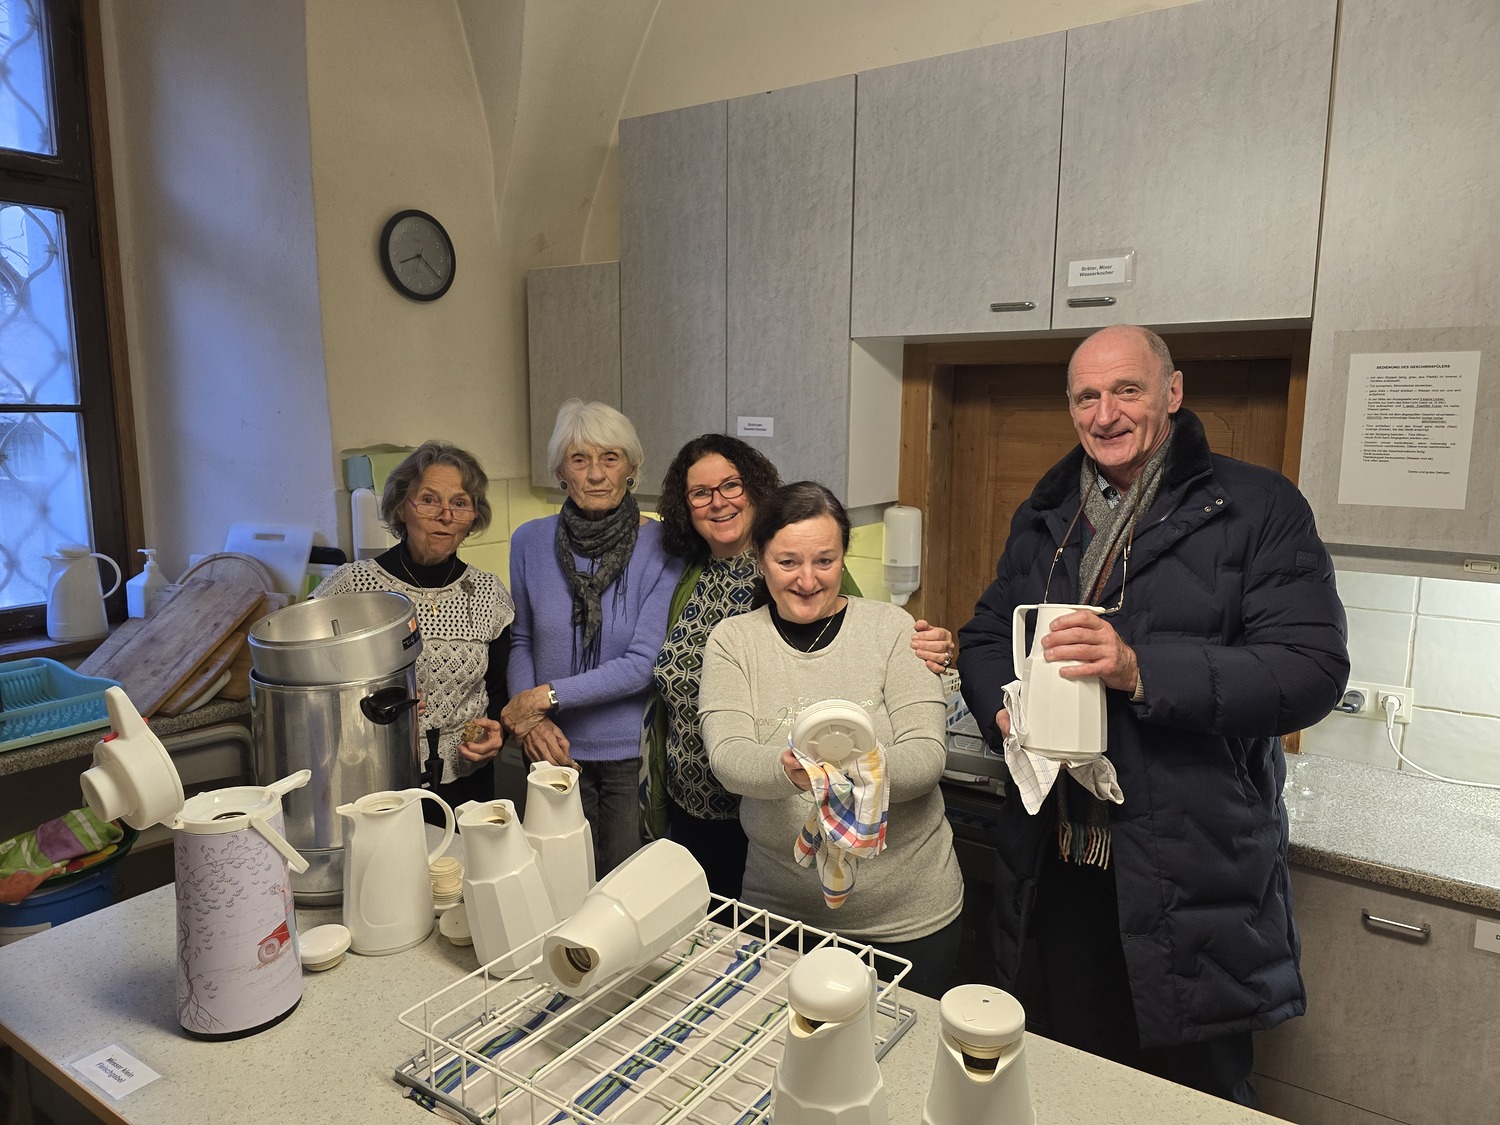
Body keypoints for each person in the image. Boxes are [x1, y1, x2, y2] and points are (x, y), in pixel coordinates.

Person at [955, 325, 1349, 1105]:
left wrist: (1139, 669)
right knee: (1068, 1089)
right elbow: (986, 634)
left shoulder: (1256, 507)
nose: (1105, 413)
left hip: (1191, 873)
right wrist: (1006, 707)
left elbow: (1311, 671)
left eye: (1126, 390)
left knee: (1188, 1101)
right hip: (1059, 865)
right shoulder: (1047, 512)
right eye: (1086, 396)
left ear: (1172, 392)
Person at [648, 434, 956, 900]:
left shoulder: (878, 618)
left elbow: (862, 645)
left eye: (730, 485)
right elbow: (724, 749)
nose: (807, 578)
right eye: (701, 492)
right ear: (762, 561)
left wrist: (932, 648)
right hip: (713, 814)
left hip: (874, 876)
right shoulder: (689, 580)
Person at [699, 481, 964, 997]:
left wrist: (839, 767)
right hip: (781, 919)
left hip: (909, 920)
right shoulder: (734, 642)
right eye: (787, 562)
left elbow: (927, 757)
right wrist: (792, 769)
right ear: (759, 559)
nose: (807, 579)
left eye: (824, 561)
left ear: (843, 556)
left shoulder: (892, 629)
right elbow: (729, 758)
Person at [498, 399, 682, 875]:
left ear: (632, 469)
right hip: (549, 750)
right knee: (556, 885)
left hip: (628, 758)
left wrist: (542, 698)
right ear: (561, 472)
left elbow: (644, 663)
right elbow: (522, 640)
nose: (596, 474)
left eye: (610, 458)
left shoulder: (665, 546)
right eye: (579, 459)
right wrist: (532, 724)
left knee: (624, 891)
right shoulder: (529, 541)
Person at [313, 441, 511, 815]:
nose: (445, 516)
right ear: (402, 507)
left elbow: (499, 689)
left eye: (460, 503)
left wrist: (496, 731)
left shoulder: (488, 594)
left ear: (473, 517)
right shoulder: (351, 587)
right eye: (429, 500)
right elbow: (310, 683)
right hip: (374, 784)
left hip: (469, 786)